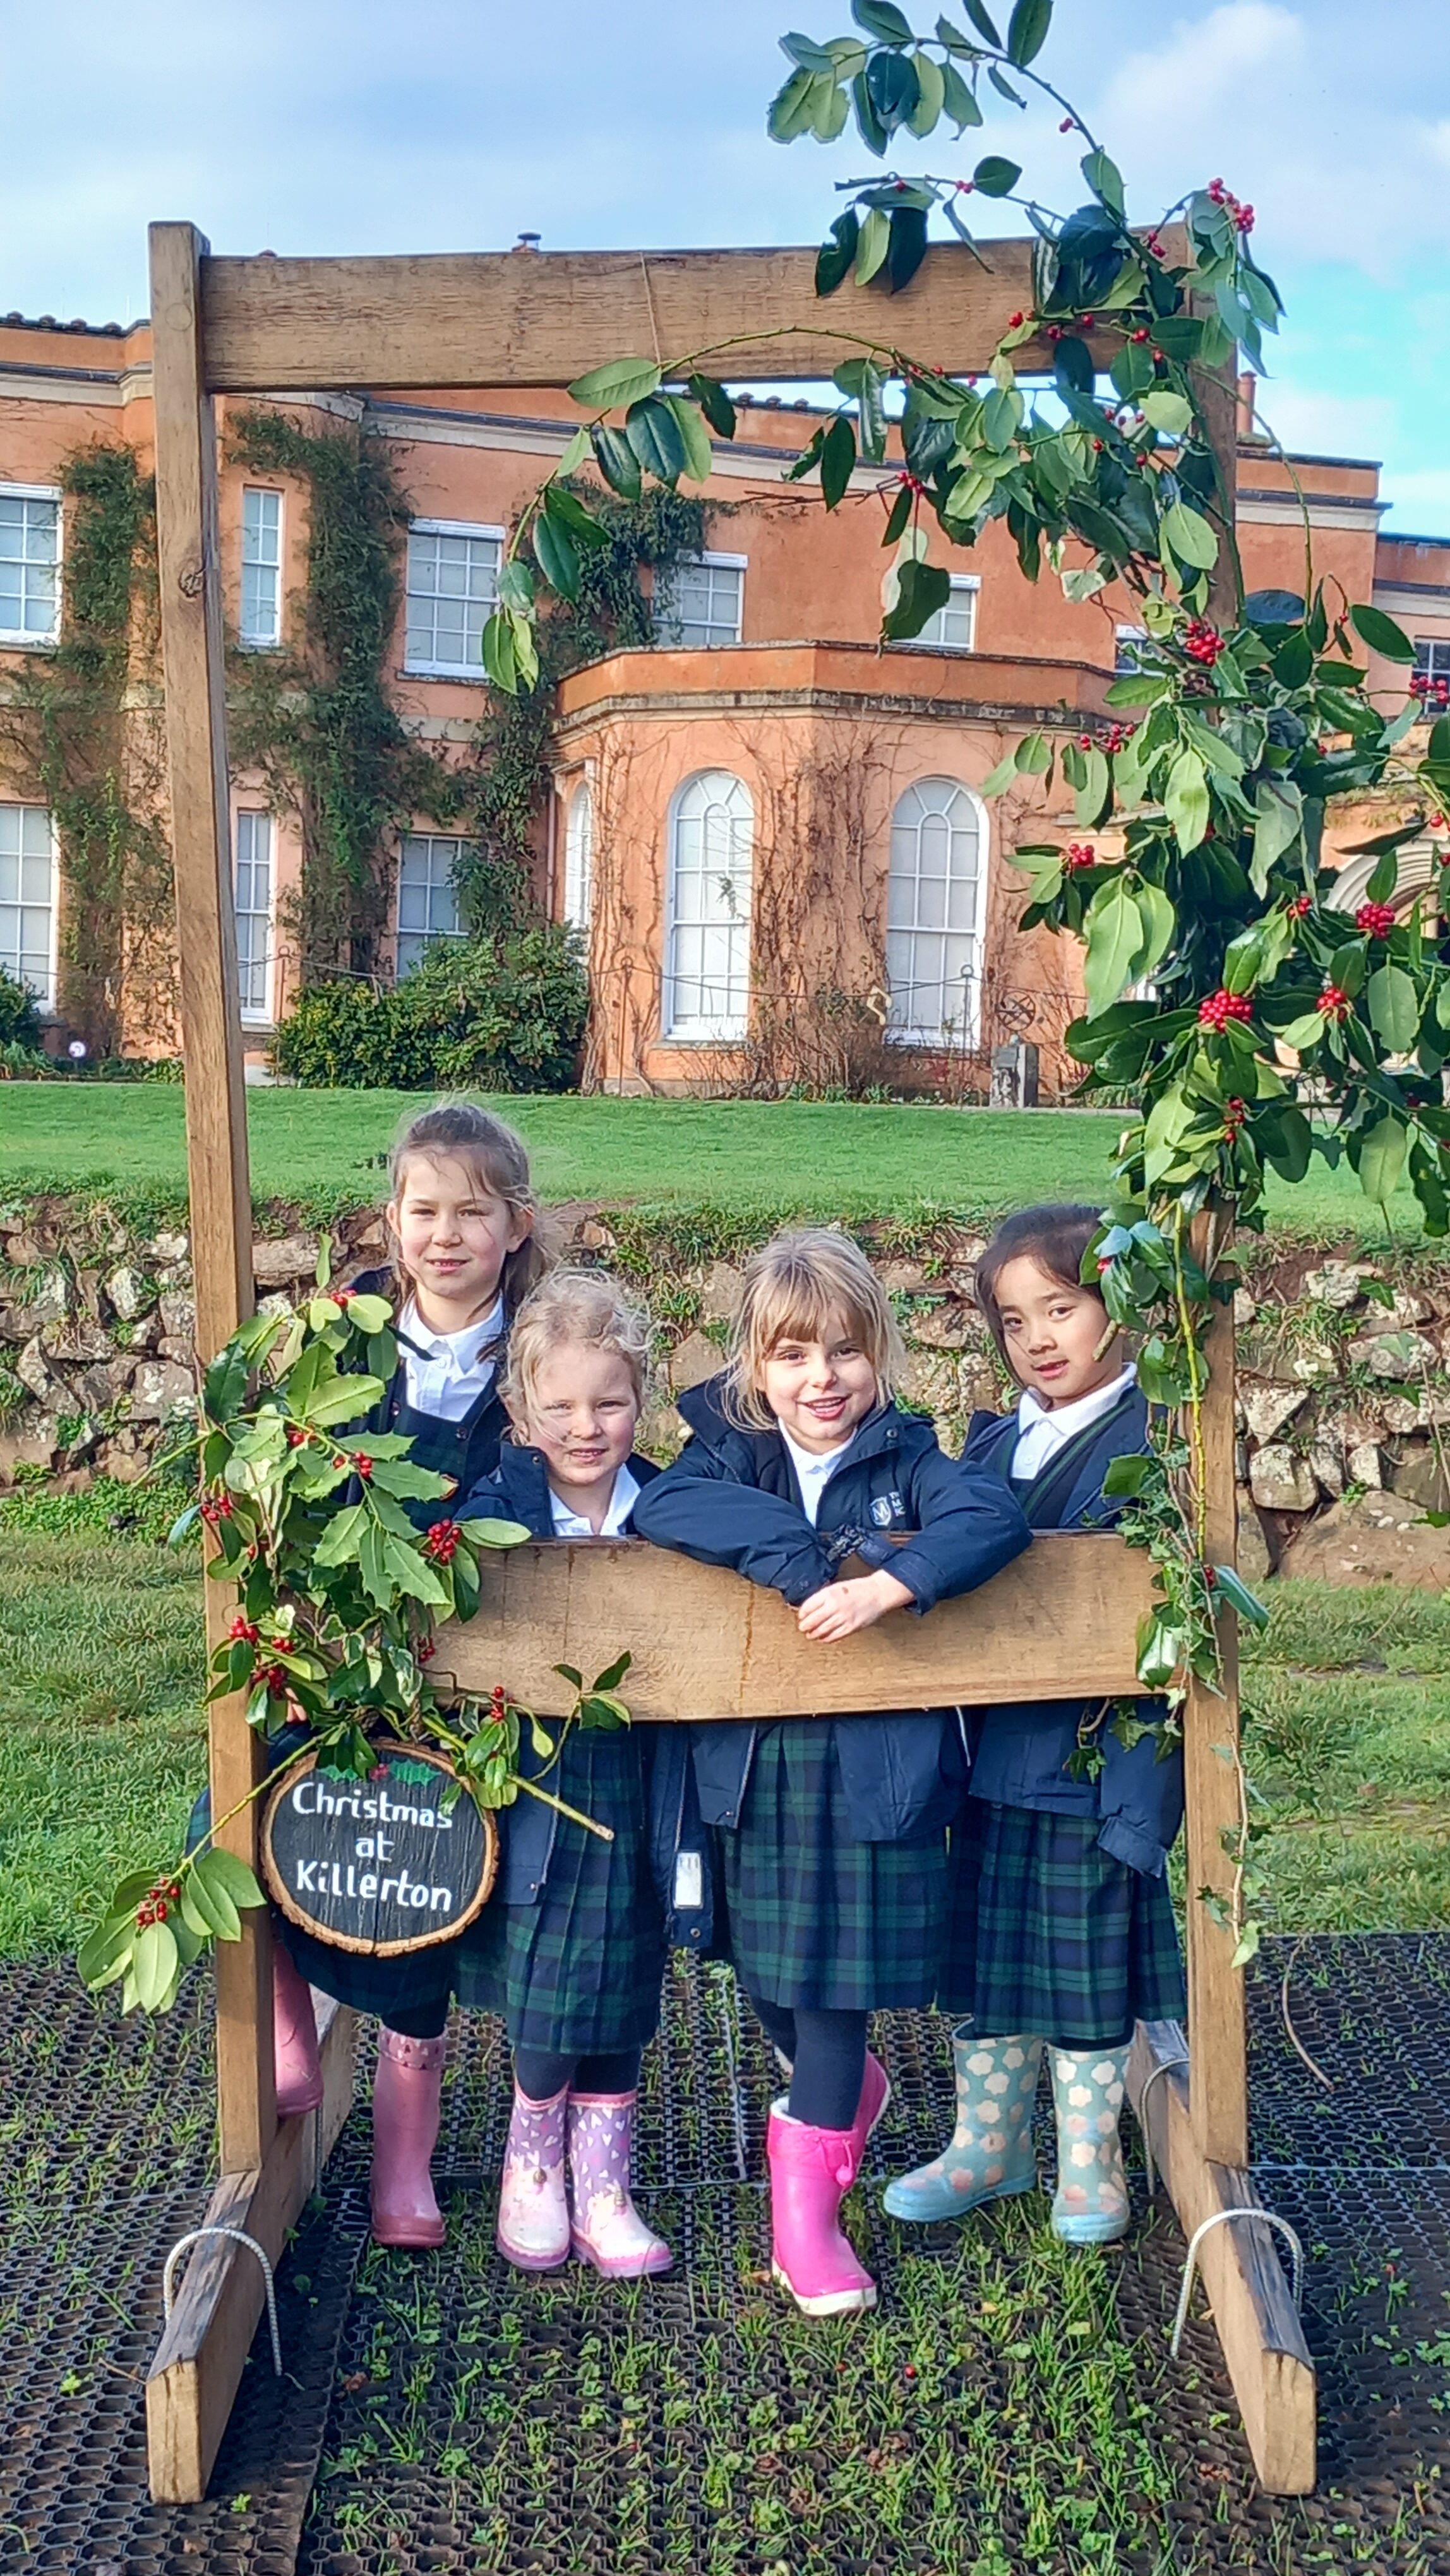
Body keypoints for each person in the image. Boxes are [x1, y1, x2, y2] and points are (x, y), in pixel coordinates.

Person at [632, 1230, 1029, 2317]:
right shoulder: (729, 1452)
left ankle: (804, 2229)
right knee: (768, 1976)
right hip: (757, 1777)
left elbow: (989, 1516)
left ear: (881, 1356)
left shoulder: (908, 1457)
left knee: (829, 1994)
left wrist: (889, 1588)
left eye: (846, 1354)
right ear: (757, 1367)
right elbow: (664, 1506)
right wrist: (799, 1555)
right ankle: (846, 2095)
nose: (823, 1380)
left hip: (870, 1777)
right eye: (797, 1356)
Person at [268, 1099, 545, 2250]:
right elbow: (291, 1493)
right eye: (423, 1212)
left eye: (471, 1214)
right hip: (348, 1659)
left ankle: (403, 2164)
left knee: (424, 1878)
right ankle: (282, 1992)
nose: (445, 1236)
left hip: (474, 1668)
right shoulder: (348, 1349)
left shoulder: (537, 1350)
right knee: (250, 1796)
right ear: (391, 1220)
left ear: (516, 1228)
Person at [882, 1203, 1185, 2248]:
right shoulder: (993, 1443)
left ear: (1120, 1312)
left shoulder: (1156, 1441)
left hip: (1091, 1755)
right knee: (993, 1946)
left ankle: (1090, 2158)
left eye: (1061, 1309)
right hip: (991, 1752)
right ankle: (990, 2143)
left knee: (1084, 1950)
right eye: (1014, 1322)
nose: (1039, 1339)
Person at [452, 1269, 690, 2281]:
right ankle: (532, 2168)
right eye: (561, 1407)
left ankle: (604, 2186)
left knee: (627, 1973)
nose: (587, 1428)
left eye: (610, 1402)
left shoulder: (673, 1510)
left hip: (639, 1776)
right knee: (549, 1981)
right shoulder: (497, 1508)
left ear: (642, 1399)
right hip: (541, 1785)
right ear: (520, 1410)